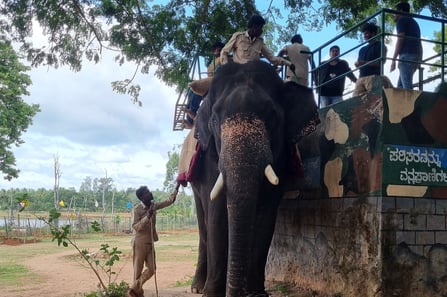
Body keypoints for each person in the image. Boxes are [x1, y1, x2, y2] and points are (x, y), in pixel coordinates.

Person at [127, 186, 178, 297]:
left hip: (150, 242)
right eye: (147, 192)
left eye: (149, 191)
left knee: (152, 268)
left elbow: (168, 201)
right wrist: (147, 217)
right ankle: (138, 293)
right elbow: (135, 227)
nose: (150, 193)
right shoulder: (137, 210)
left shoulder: (153, 206)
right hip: (139, 243)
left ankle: (134, 288)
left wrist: (176, 188)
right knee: (138, 270)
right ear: (142, 197)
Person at [220, 14, 294, 70]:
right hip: (238, 72)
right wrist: (227, 68)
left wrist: (289, 63)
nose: (262, 31)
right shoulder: (238, 37)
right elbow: (224, 52)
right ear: (254, 27)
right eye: (260, 28)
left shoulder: (260, 42)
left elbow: (272, 58)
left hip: (254, 74)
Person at [183, 41, 224, 129]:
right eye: (215, 49)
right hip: (210, 80)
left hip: (218, 81)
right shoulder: (213, 61)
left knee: (197, 93)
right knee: (192, 90)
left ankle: (192, 113)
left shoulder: (224, 58)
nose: (216, 51)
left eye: (219, 49)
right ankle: (190, 113)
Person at [390, 1, 422, 90]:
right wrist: (420, 59)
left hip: (406, 57)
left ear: (400, 11)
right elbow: (419, 42)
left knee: (407, 88)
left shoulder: (402, 20)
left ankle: (412, 103)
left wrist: (393, 60)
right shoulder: (414, 23)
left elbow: (400, 39)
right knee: (400, 87)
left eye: (395, 12)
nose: (394, 15)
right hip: (415, 56)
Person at [353, 23, 390, 97]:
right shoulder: (362, 49)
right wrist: (357, 64)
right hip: (361, 78)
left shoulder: (381, 46)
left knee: (374, 99)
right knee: (355, 101)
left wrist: (364, 63)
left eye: (366, 33)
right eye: (364, 34)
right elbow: (359, 63)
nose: (365, 36)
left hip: (373, 77)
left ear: (373, 33)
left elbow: (381, 63)